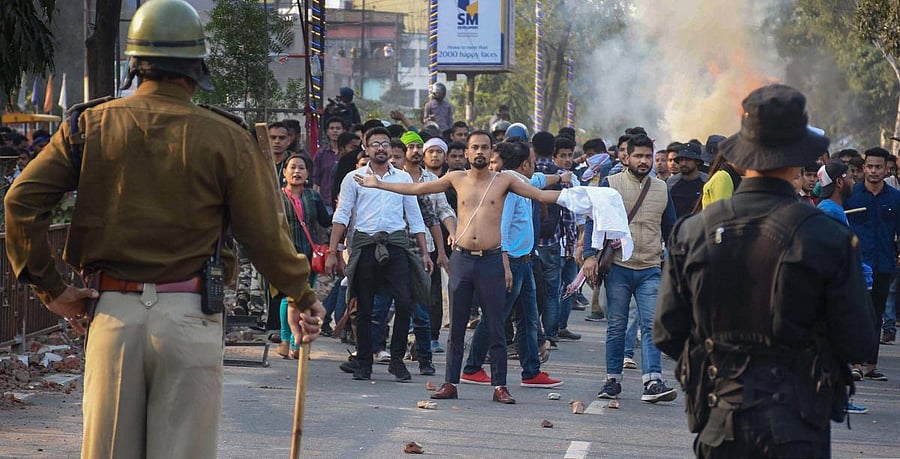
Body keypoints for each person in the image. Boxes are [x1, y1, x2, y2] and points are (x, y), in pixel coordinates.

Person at [2, 1, 325, 457]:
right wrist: (301, 294)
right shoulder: (226, 136)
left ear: (134, 64)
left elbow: (21, 201)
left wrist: (51, 289)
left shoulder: (89, 125)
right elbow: (262, 235)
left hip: (111, 313)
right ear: (197, 67)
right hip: (190, 316)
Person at [654, 84, 877, 457]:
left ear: (744, 157)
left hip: (720, 419)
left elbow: (667, 332)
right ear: (798, 161)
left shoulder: (694, 232)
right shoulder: (827, 236)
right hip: (798, 422)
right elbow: (858, 339)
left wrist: (720, 360)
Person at [354, 130, 564, 404]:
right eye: (474, 147)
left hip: (491, 260)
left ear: (492, 153)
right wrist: (378, 184)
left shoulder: (505, 181)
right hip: (462, 260)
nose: (479, 152)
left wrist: (585, 198)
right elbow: (417, 189)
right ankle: (450, 382)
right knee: (456, 328)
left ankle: (500, 385)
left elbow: (539, 195)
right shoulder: (456, 178)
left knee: (496, 325)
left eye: (484, 148)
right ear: (466, 153)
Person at [326, 127, 432, 382]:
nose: (381, 148)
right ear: (366, 148)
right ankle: (364, 362)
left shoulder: (403, 179)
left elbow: (414, 217)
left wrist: (425, 252)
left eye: (385, 143)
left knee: (405, 301)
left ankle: (396, 360)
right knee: (363, 307)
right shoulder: (353, 178)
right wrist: (332, 251)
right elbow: (342, 215)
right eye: (375, 144)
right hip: (365, 246)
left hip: (396, 245)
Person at [581, 133, 678, 403]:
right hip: (620, 267)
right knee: (617, 326)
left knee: (651, 324)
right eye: (639, 156)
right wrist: (589, 255)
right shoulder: (610, 185)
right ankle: (612, 380)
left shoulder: (662, 188)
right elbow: (594, 221)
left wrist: (678, 261)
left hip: (650, 267)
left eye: (648, 156)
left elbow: (671, 229)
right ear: (627, 157)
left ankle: (653, 381)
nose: (644, 161)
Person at [844, 146, 900, 381]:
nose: (874, 171)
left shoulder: (895, 198)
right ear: (864, 168)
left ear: (886, 169)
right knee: (857, 314)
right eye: (870, 166)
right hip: (857, 265)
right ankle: (855, 362)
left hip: (885, 264)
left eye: (879, 167)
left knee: (876, 314)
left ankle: (870, 364)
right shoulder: (852, 196)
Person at [277, 154, 332, 358]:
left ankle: (297, 344)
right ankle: (286, 341)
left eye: (301, 168)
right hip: (286, 253)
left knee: (305, 298)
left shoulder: (313, 196)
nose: (296, 172)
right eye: (292, 168)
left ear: (308, 174)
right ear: (284, 172)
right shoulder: (277, 197)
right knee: (289, 298)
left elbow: (325, 222)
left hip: (309, 255)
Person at [666, 143, 708, 219]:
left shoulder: (707, 181)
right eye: (681, 160)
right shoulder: (671, 182)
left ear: (697, 162)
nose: (683, 163)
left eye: (688, 160)